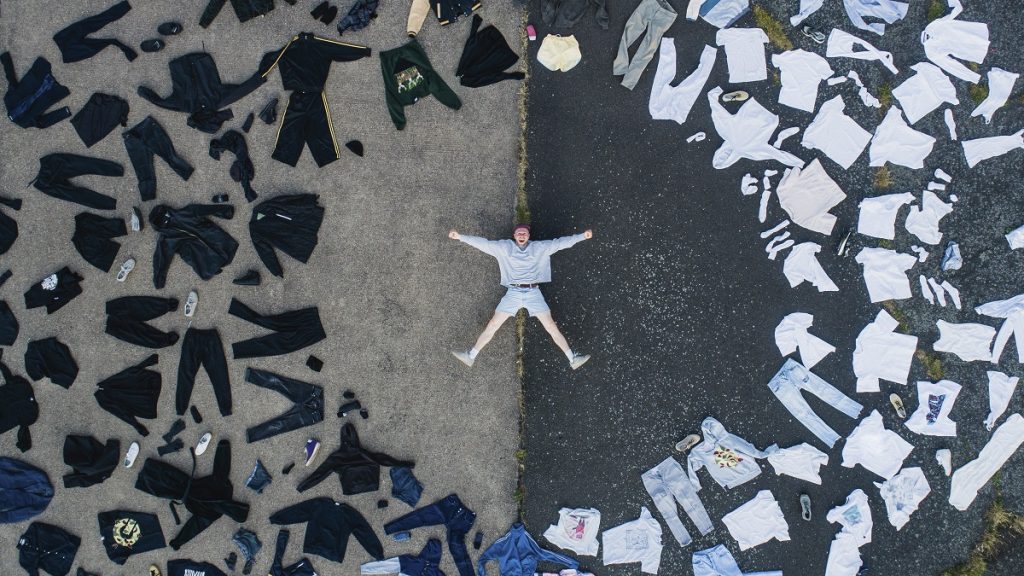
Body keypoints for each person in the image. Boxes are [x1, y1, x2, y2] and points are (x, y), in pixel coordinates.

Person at [448, 223, 593, 369]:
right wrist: (460, 237)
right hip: (513, 292)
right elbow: (483, 244)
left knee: (550, 325)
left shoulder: (539, 247)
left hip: (533, 292)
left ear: (529, 236)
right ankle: (470, 356)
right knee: (493, 324)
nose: (522, 235)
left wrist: (582, 236)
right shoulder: (504, 248)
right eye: (519, 233)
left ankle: (572, 359)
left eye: (524, 233)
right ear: (514, 236)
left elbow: (560, 243)